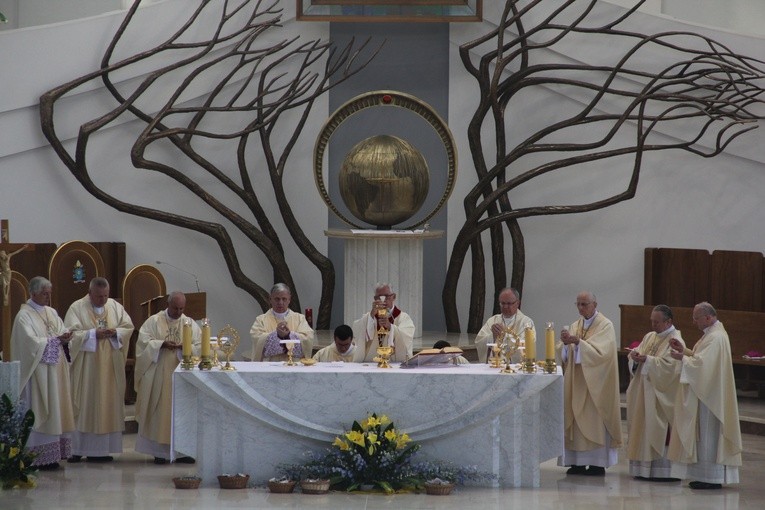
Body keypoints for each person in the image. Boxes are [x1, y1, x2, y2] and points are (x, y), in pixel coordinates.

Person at [667, 302, 742, 490]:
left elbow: (702, 366)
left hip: (711, 397)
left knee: (709, 435)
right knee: (705, 436)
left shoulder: (716, 337)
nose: (693, 322)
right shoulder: (711, 335)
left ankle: (711, 477)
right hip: (707, 392)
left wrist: (682, 358)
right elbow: (701, 359)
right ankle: (705, 476)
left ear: (708, 317)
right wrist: (683, 351)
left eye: (696, 318)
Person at [64, 277, 134, 462]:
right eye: (98, 296)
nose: (103, 300)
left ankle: (101, 451)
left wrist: (115, 332)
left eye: (105, 295)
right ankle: (77, 450)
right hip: (86, 368)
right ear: (90, 293)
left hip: (110, 366)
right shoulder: (76, 308)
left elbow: (128, 327)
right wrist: (93, 333)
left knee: (107, 404)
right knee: (85, 404)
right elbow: (71, 335)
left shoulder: (115, 307)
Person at [10, 276, 74, 470]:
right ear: (33, 293)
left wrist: (65, 337)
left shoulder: (52, 312)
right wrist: (53, 341)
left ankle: (54, 454)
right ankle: (36, 456)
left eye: (49, 293)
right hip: (37, 375)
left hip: (55, 372)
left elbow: (60, 330)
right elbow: (29, 344)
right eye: (44, 293)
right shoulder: (24, 316)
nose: (48, 297)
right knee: (40, 409)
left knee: (56, 408)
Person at [557, 291, 622, 476]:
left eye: (584, 304)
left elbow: (604, 354)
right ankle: (576, 462)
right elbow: (565, 354)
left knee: (594, 421)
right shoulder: (575, 325)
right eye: (577, 304)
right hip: (576, 382)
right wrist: (565, 344)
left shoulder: (605, 325)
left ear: (595, 304)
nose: (580, 308)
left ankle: (596, 463)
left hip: (596, 384)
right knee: (576, 421)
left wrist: (579, 343)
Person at [134, 291, 200, 464]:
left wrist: (185, 348)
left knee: (182, 411)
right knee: (159, 411)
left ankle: (182, 451)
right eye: (175, 308)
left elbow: (200, 346)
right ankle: (160, 452)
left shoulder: (189, 324)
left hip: (182, 375)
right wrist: (161, 344)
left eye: (181, 308)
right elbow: (142, 344)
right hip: (159, 375)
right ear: (168, 305)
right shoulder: (154, 321)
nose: (178, 312)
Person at [625, 304, 685, 481]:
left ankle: (663, 471)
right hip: (644, 393)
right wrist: (635, 359)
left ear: (668, 322)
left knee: (660, 430)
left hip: (661, 395)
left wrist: (647, 360)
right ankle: (643, 469)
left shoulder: (676, 339)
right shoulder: (650, 336)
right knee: (642, 428)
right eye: (652, 321)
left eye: (657, 322)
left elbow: (671, 367)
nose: (653, 325)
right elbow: (637, 356)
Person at [352, 282, 414, 363]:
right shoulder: (369, 317)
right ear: (375, 299)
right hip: (372, 363)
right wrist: (371, 316)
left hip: (394, 363)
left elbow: (406, 338)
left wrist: (390, 327)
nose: (383, 300)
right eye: (379, 297)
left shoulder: (403, 318)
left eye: (386, 296)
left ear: (394, 297)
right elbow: (357, 331)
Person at [250, 283, 313, 361]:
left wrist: (288, 335)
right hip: (270, 367)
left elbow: (308, 339)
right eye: (277, 299)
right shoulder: (261, 320)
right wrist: (277, 335)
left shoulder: (300, 318)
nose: (280, 302)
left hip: (294, 365)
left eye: (284, 299)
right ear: (270, 299)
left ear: (289, 300)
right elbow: (257, 340)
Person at [474, 288, 536, 363]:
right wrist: (492, 336)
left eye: (509, 303)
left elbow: (527, 345)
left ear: (518, 303)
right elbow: (479, 341)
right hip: (494, 367)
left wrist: (503, 336)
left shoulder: (526, 323)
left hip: (516, 369)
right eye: (503, 303)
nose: (505, 307)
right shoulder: (492, 320)